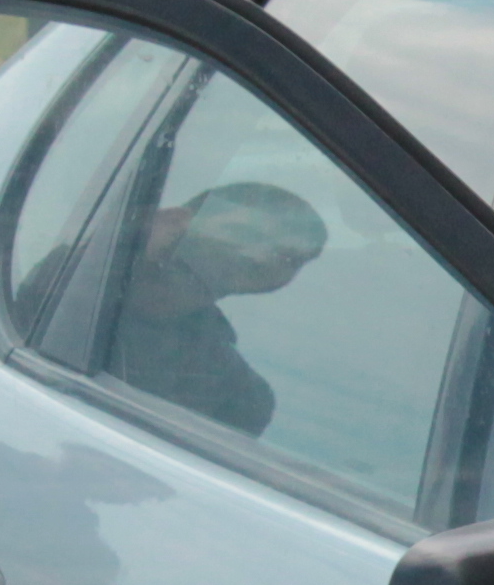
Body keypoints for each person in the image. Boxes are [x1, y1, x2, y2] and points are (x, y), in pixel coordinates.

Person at [104, 181, 327, 436]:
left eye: (286, 257)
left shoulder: (241, 394)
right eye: (244, 234)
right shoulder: (69, 284)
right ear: (172, 221)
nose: (258, 256)